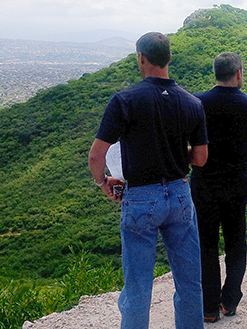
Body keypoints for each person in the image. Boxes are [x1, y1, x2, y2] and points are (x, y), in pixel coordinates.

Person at [88, 32, 208, 329]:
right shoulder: (192, 103)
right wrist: (174, 151)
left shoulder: (124, 100)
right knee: (189, 281)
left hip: (141, 196)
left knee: (138, 287)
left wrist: (103, 183)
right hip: (180, 194)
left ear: (141, 58)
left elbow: (96, 155)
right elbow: (201, 158)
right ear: (169, 58)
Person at [190, 52, 247, 323]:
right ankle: (230, 301)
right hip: (237, 182)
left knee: (206, 242)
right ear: (239, 73)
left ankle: (209, 308)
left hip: (204, 182)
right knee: (236, 240)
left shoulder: (197, 102)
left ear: (215, 73)